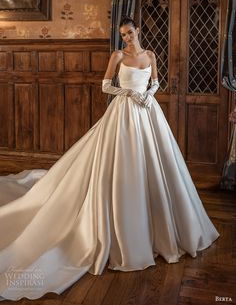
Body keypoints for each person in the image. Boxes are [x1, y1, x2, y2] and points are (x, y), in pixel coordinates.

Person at [0, 17, 219, 301]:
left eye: (129, 34)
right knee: (120, 164)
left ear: (138, 31)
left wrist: (149, 94)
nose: (126, 39)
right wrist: (128, 92)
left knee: (157, 164)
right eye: (123, 35)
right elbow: (105, 85)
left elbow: (155, 81)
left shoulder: (150, 55)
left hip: (148, 112)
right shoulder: (117, 55)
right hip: (123, 112)